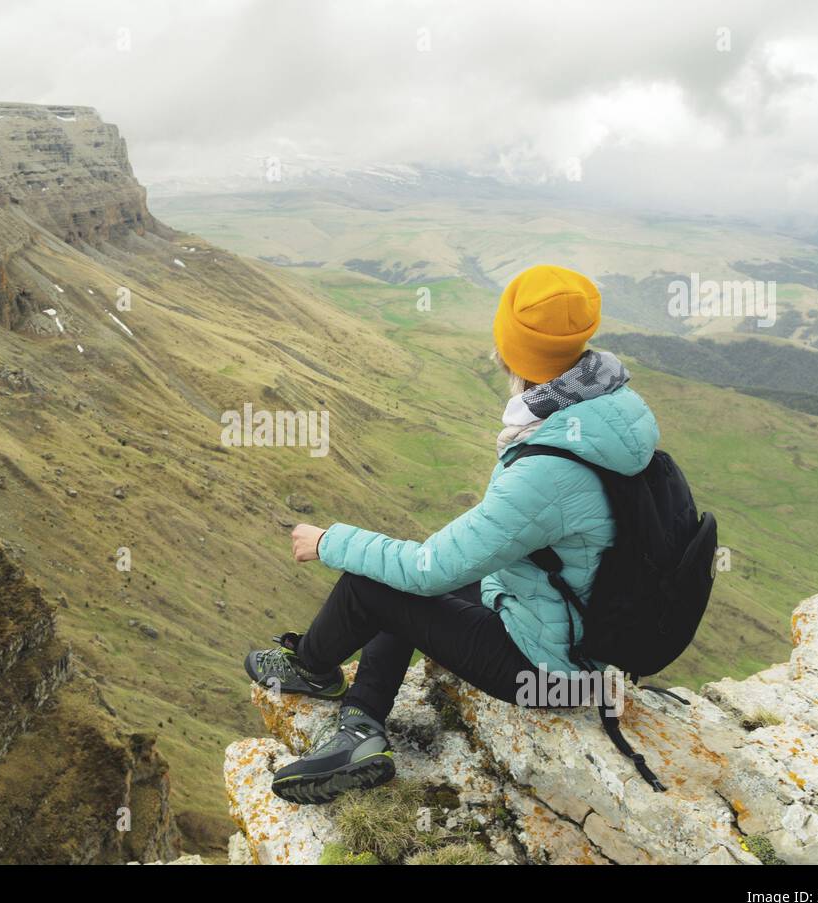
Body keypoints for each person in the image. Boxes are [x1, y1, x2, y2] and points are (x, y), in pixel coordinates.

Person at [243, 264, 659, 804]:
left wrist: (329, 541)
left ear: (510, 349)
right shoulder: (615, 412)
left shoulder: (548, 466)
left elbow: (429, 570)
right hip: (583, 636)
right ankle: (360, 728)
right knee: (407, 586)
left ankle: (313, 670)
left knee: (376, 582)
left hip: (550, 671)